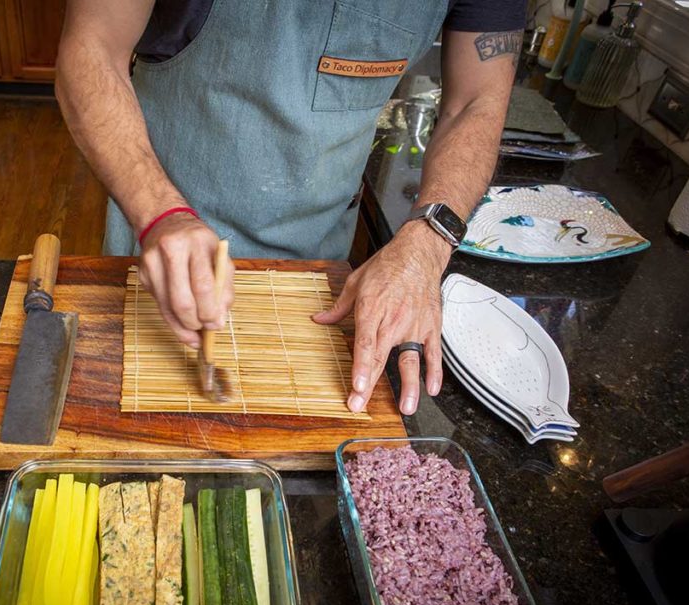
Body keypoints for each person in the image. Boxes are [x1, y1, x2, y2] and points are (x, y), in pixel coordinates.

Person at [56, 0, 524, 415]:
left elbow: (477, 102)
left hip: (320, 274)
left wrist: (427, 243)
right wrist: (159, 212)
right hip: (159, 233)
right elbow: (92, 47)